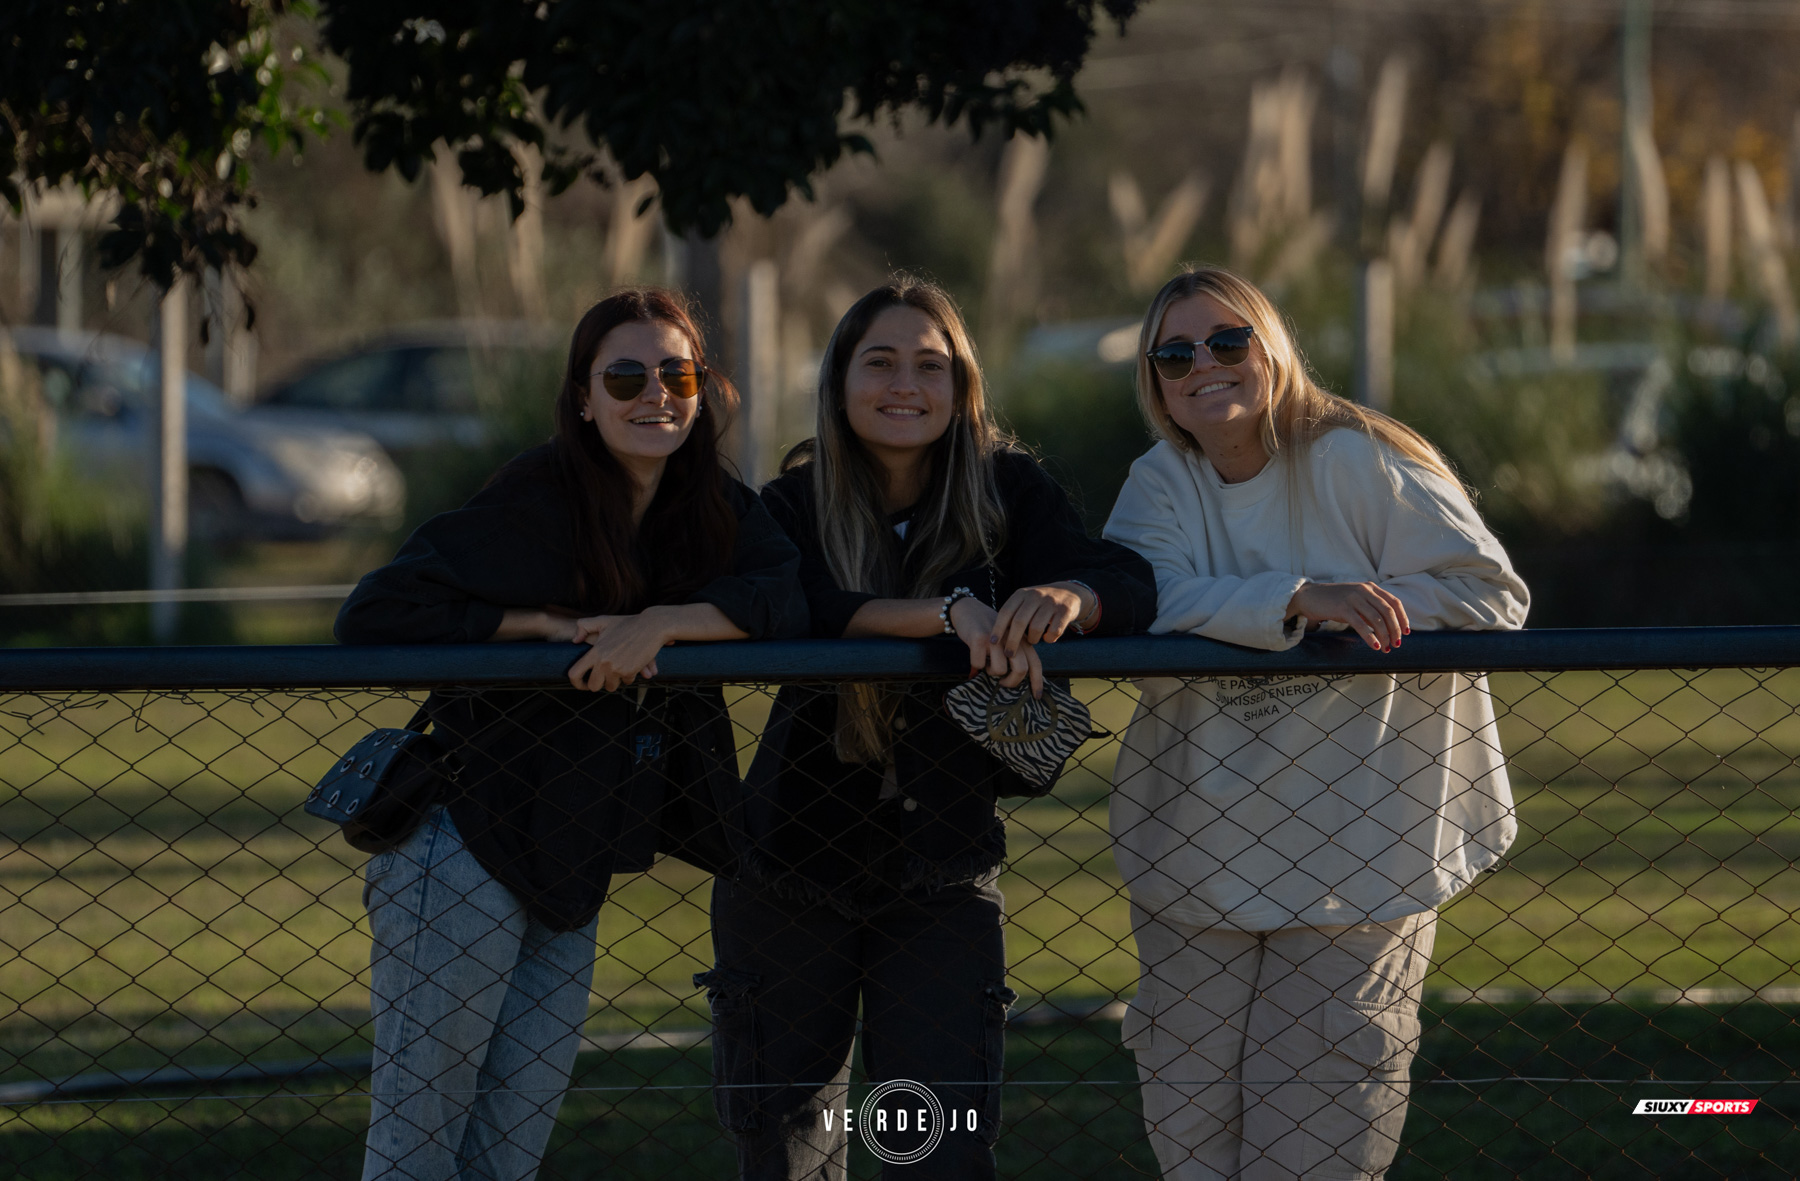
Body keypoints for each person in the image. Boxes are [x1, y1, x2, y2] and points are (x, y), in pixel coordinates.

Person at [335, 289, 806, 1181]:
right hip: (462, 850)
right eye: (624, 376)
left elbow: (789, 597)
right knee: (415, 1153)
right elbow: (376, 612)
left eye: (677, 372)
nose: (653, 394)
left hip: (572, 858)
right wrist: (541, 626)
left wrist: (661, 622)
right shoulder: (537, 497)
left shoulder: (706, 505)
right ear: (583, 399)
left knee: (508, 1158)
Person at [698, 278, 1156, 1180]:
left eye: (930, 365)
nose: (905, 383)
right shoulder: (792, 503)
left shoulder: (1006, 493)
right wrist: (945, 612)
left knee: (932, 1151)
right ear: (838, 383)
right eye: (880, 362)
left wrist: (1069, 594)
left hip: (940, 873)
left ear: (962, 388)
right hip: (789, 866)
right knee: (789, 1152)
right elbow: (803, 607)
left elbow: (1127, 582)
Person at [1102, 265, 1529, 1181]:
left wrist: (1364, 604)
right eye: (1175, 353)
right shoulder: (1158, 483)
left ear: (1273, 347)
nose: (1203, 366)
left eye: (1228, 341)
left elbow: (1491, 593)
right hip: (1197, 863)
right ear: (1155, 380)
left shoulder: (1355, 457)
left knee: (1314, 1151)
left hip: (1359, 860)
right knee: (1194, 1145)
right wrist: (1300, 597)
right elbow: (1146, 596)